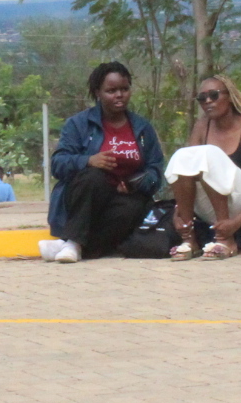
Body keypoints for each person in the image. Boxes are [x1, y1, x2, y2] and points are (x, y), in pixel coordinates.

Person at [46, 62, 166, 263]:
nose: (119, 95)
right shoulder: (78, 124)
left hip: (123, 198)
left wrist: (136, 183)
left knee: (134, 206)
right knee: (94, 177)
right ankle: (74, 242)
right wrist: (88, 160)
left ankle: (72, 247)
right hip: (86, 197)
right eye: (111, 91)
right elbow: (58, 164)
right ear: (98, 93)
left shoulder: (142, 128)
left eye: (124, 89)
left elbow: (155, 169)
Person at [166, 75, 241, 260]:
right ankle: (189, 241)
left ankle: (225, 240)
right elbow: (186, 170)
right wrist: (179, 212)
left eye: (214, 95)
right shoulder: (202, 126)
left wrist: (236, 223)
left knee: (209, 154)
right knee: (182, 155)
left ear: (230, 96)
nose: (208, 101)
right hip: (216, 205)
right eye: (202, 98)